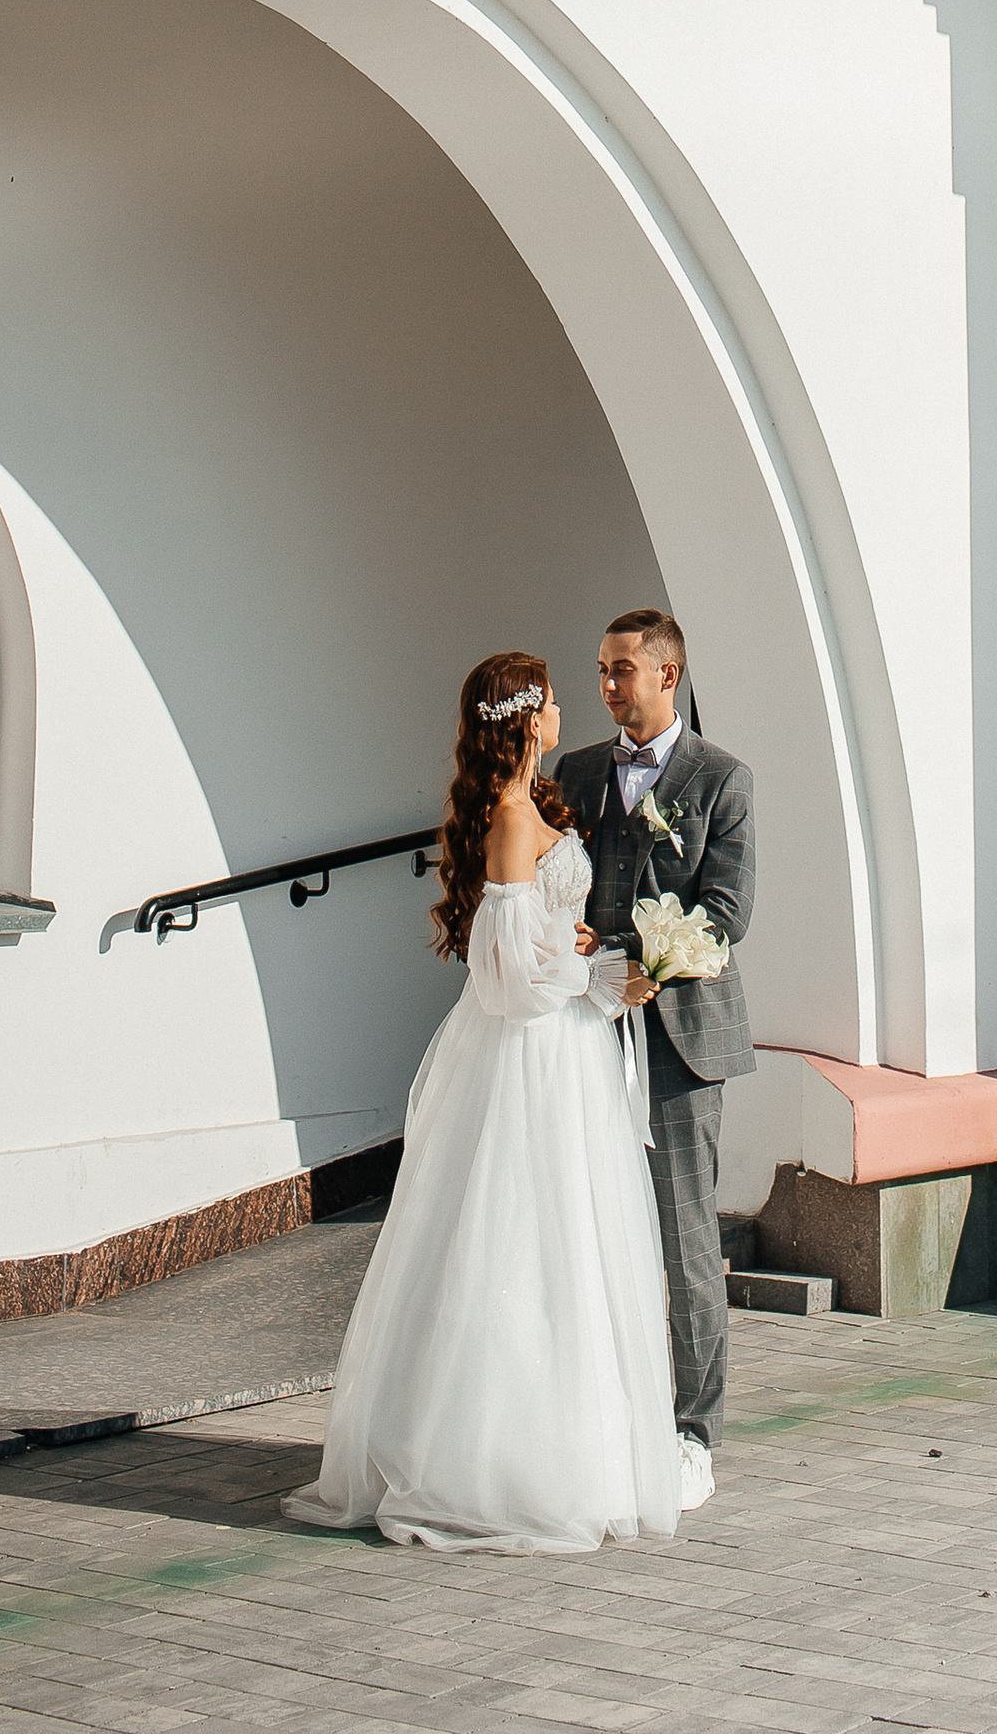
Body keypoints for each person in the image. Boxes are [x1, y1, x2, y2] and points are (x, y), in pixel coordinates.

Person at [284, 651, 683, 1555]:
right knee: (519, 1242)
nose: (561, 712)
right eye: (549, 701)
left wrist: (569, 941)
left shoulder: (535, 806)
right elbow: (504, 981)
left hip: (560, 1049)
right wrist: (595, 975)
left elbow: (529, 933)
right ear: (525, 716)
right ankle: (495, 1464)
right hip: (527, 1058)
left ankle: (578, 1451)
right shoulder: (509, 816)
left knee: (571, 1247)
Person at [554, 609, 755, 1510]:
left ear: (667, 675)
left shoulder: (722, 778)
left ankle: (693, 1434)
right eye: (600, 669)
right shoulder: (578, 773)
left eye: (622, 670)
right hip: (587, 1029)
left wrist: (651, 962)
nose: (606, 685)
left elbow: (726, 910)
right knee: (591, 1227)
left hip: (682, 1039)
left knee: (684, 1239)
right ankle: (607, 1415)